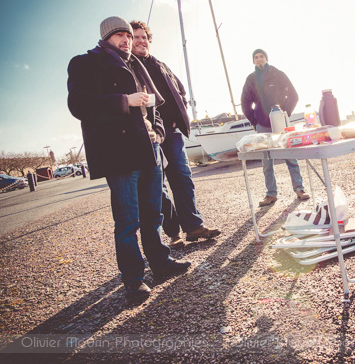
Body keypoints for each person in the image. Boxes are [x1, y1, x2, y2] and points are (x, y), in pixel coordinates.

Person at [67, 16, 191, 301]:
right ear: (105, 38)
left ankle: (160, 263)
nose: (126, 39)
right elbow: (78, 104)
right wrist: (125, 101)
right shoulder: (85, 63)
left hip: (149, 151)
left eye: (127, 34)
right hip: (119, 154)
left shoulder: (136, 64)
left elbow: (154, 104)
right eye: (118, 35)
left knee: (153, 215)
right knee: (127, 222)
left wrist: (158, 131)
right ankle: (134, 280)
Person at [130, 20, 220, 247]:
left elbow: (180, 88)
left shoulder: (160, 64)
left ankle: (193, 226)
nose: (141, 41)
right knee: (157, 186)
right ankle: (173, 233)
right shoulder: (128, 66)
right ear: (129, 41)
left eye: (144, 38)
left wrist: (182, 108)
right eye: (136, 37)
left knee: (182, 177)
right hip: (147, 134)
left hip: (171, 131)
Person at [241, 49, 310, 206]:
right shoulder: (251, 79)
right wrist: (254, 119)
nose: (259, 59)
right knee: (266, 161)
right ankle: (271, 194)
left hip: (281, 123)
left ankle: (299, 189)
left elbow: (294, 95)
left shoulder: (278, 74)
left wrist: (284, 113)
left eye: (261, 57)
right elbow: (245, 102)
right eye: (256, 58)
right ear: (253, 61)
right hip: (262, 125)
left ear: (266, 58)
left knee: (290, 156)